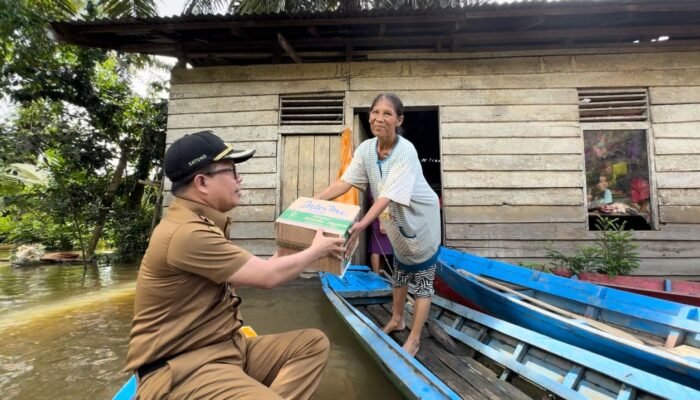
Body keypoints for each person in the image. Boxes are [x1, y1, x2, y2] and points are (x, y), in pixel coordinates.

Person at [124, 130, 345, 399]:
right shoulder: (186, 233)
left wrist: (283, 255)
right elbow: (267, 278)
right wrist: (316, 250)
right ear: (202, 182)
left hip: (225, 348)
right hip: (186, 366)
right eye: (231, 170)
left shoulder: (203, 222)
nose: (240, 179)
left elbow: (242, 276)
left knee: (311, 344)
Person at [315, 93, 441, 357]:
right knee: (400, 269)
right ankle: (398, 318)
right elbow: (345, 182)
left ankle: (415, 338)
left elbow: (385, 195)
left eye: (387, 113)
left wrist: (361, 225)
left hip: (421, 217)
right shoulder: (366, 149)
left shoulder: (405, 150)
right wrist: (312, 201)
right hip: (395, 216)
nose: (378, 118)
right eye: (375, 112)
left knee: (422, 278)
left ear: (398, 120)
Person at [368, 193, 393, 275]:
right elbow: (375, 202)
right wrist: (381, 223)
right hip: (379, 218)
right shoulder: (376, 183)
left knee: (383, 249)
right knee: (376, 248)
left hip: (388, 218)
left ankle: (381, 275)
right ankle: (376, 275)